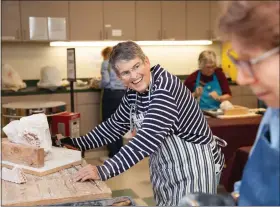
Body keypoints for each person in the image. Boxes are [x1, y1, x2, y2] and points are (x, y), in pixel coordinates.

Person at [60, 41, 225, 206]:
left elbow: (145, 141)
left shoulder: (165, 88)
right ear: (119, 77)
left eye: (136, 66)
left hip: (194, 169)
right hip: (166, 168)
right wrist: (76, 143)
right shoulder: (133, 93)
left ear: (147, 61)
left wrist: (103, 170)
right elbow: (113, 126)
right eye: (125, 72)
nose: (134, 76)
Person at [180, 1, 279, 206]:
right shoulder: (274, 113)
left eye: (251, 61)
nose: (241, 78)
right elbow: (258, 180)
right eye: (238, 62)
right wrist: (234, 200)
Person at [100, 46, 127, 159]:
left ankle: (114, 153)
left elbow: (106, 81)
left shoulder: (106, 63)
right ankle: (119, 153)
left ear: (106, 55)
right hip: (122, 95)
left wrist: (98, 84)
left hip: (110, 95)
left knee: (108, 124)